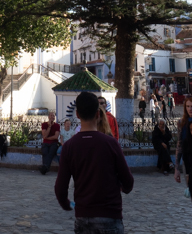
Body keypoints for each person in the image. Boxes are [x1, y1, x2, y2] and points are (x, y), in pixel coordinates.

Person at [55, 92, 134, 234]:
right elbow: (128, 181)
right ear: (98, 114)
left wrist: (66, 204)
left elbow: (60, 187)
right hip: (110, 215)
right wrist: (124, 188)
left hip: (84, 216)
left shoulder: (69, 147)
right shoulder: (111, 143)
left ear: (77, 114)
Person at [39, 110, 61, 175]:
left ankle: (44, 168)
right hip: (45, 143)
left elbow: (56, 137)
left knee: (51, 153)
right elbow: (44, 135)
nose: (52, 117)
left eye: (53, 116)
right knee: (45, 153)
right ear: (48, 117)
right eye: (51, 115)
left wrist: (47, 138)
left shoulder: (57, 125)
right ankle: (45, 168)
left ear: (54, 118)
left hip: (54, 143)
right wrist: (49, 126)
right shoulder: (44, 125)